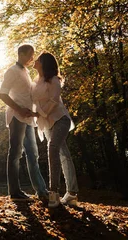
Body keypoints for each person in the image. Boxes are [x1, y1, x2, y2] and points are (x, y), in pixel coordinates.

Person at [0, 44, 49, 202]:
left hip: (28, 120)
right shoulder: (12, 71)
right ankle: (14, 191)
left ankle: (41, 191)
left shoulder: (26, 72)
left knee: (33, 155)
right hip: (16, 117)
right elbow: (2, 95)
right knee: (15, 153)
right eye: (30, 55)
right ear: (21, 54)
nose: (32, 58)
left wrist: (35, 113)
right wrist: (19, 109)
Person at [32, 51, 79, 208]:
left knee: (52, 148)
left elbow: (53, 101)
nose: (35, 61)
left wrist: (40, 112)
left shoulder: (54, 80)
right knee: (64, 154)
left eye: (38, 59)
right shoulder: (35, 82)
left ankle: (54, 193)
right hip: (47, 123)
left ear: (44, 63)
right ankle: (72, 194)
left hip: (61, 120)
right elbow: (32, 101)